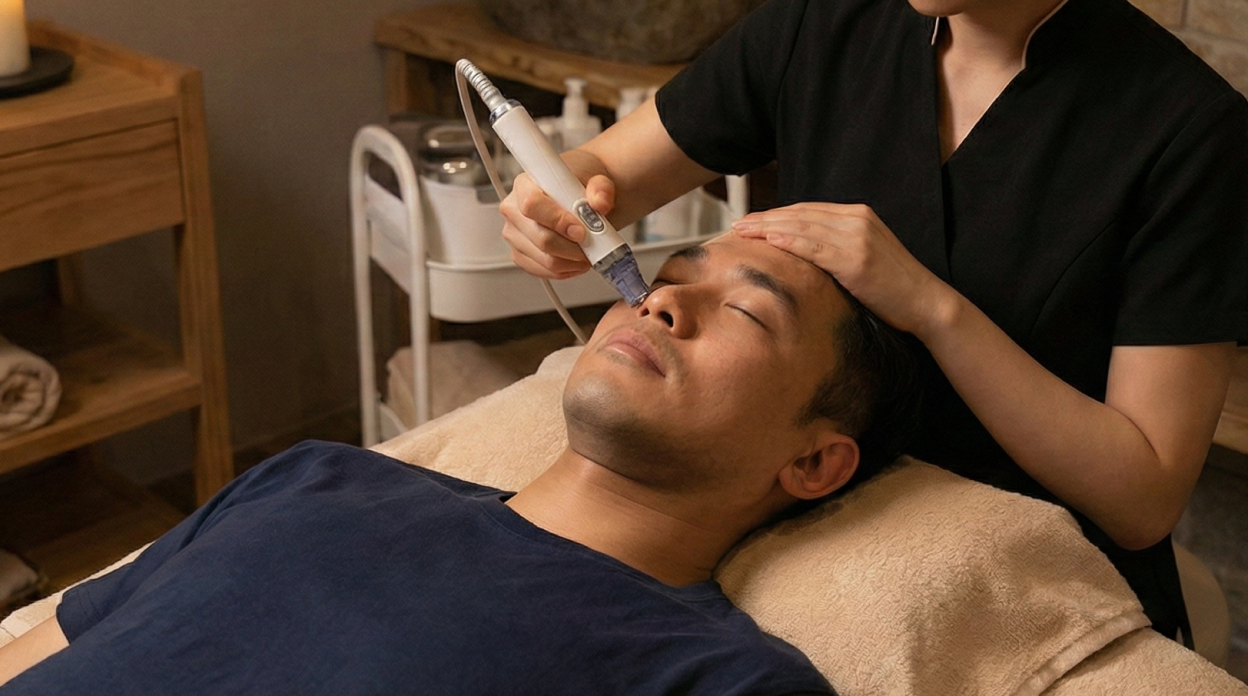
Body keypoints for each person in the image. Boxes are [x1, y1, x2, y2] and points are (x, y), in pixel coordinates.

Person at [499, 0, 1248, 643]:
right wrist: (553, 204)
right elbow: (600, 175)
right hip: (799, 517)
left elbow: (1143, 496)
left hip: (1016, 575)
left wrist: (932, 308)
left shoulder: (1192, 134)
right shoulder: (828, 22)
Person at [0, 235, 919, 695]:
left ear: (814, 462)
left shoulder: (716, 675)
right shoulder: (322, 476)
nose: (663, 302)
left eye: (748, 313)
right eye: (670, 277)